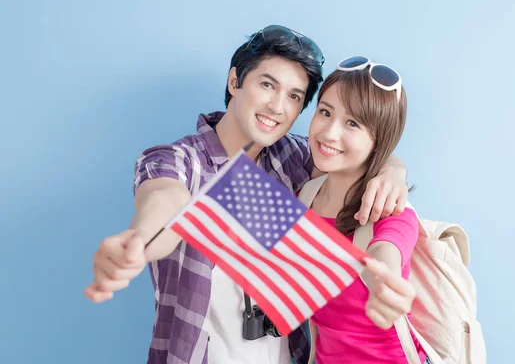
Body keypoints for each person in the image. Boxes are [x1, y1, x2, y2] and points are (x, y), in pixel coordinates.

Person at [84, 26, 412, 364]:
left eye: (295, 97)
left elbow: (357, 149)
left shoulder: (296, 160)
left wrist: (392, 170)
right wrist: (138, 241)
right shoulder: (181, 160)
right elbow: (166, 201)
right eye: (267, 85)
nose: (277, 107)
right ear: (234, 81)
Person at [299, 56, 427, 363]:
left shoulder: (391, 212)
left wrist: (384, 284)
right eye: (325, 112)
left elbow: (386, 253)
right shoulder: (304, 195)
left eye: (352, 123)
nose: (329, 133)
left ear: (378, 140)